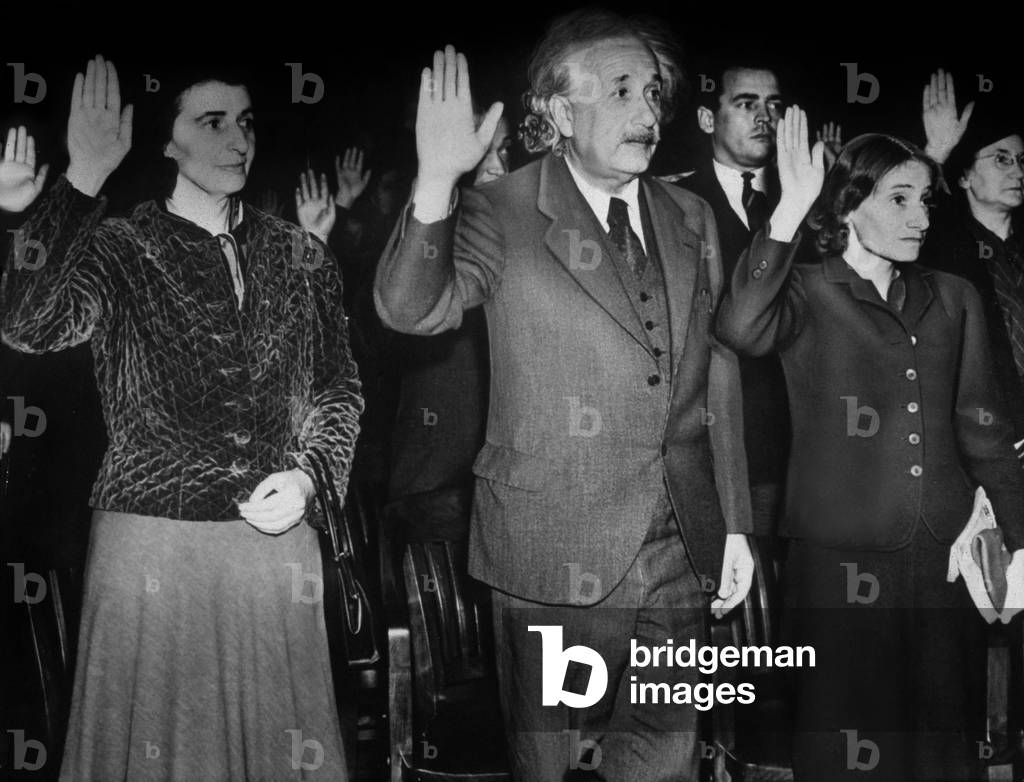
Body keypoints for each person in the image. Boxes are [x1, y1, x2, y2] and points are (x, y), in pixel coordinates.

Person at [373, 10, 775, 779]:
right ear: (560, 112)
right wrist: (434, 184)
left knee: (664, 756)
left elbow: (717, 371)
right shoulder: (500, 209)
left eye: (654, 93)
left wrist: (733, 527)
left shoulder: (689, 215)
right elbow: (410, 308)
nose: (648, 113)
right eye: (621, 91)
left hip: (679, 548)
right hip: (551, 550)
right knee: (549, 763)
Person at [0, 56, 363, 780]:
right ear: (166, 143)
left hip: (273, 545)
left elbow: (337, 388)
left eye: (247, 123)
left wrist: (311, 478)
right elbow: (27, 323)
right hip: (150, 551)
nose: (238, 140)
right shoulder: (119, 247)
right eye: (212, 122)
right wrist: (80, 183)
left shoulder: (300, 254)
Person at [716, 110, 1024, 781]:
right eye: (900, 199)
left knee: (943, 742)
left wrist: (1022, 541)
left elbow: (984, 426)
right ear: (850, 206)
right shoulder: (802, 291)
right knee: (847, 743)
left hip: (944, 556)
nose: (921, 217)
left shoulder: (953, 296)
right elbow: (738, 327)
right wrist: (790, 209)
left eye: (925, 201)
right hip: (839, 558)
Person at [917, 71, 1024, 449]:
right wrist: (937, 151)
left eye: (1022, 160)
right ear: (964, 178)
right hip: (991, 440)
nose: (1018, 171)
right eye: (1002, 159)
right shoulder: (942, 250)